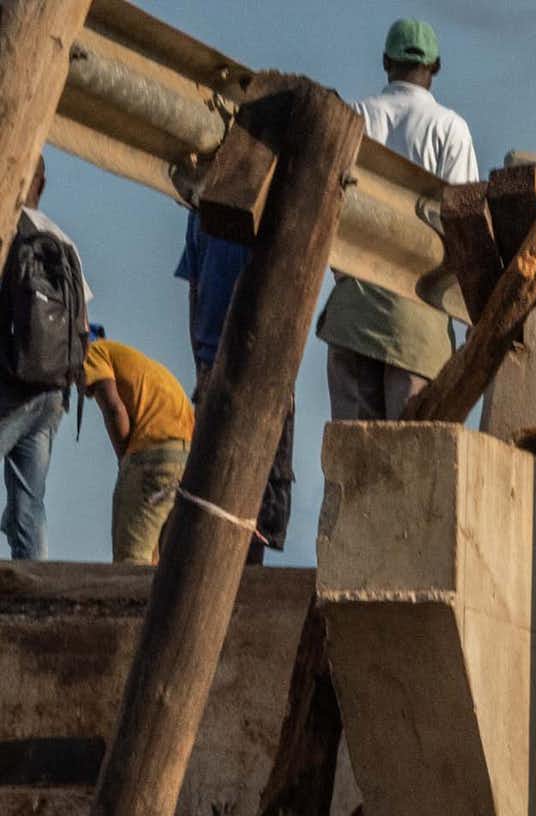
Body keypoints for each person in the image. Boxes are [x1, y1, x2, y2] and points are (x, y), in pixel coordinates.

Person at [318, 20, 477, 422]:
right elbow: (462, 226)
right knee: (410, 463)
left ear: (385, 61)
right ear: (435, 67)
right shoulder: (450, 129)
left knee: (352, 466)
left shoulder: (355, 117)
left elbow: (327, 204)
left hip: (353, 311)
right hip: (418, 321)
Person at [175, 211, 291, 558]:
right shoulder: (201, 210)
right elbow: (195, 287)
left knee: (255, 493)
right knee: (214, 490)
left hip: (263, 365)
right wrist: (202, 365)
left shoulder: (271, 199)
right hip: (219, 364)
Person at [0, 156, 86, 562]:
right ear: (43, 183)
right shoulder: (62, 239)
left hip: (10, 387)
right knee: (29, 504)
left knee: (26, 505)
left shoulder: (7, 228)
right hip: (53, 393)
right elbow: (82, 322)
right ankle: (35, 589)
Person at [80, 331, 194, 564]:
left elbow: (114, 409)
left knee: (131, 562)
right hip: (186, 457)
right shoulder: (137, 363)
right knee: (162, 563)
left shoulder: (92, 351)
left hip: (152, 456)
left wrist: (125, 462)